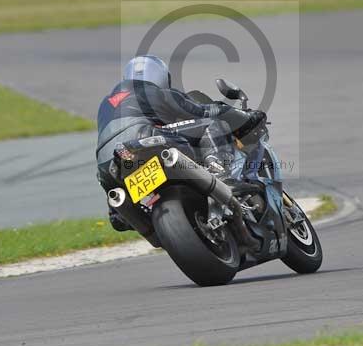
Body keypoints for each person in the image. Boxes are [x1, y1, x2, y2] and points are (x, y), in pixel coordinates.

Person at [96, 55, 265, 230]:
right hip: (145, 140)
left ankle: (118, 213)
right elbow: (205, 112)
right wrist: (246, 117)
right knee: (214, 124)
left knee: (120, 211)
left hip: (108, 166)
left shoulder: (106, 104)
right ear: (161, 77)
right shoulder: (156, 92)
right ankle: (221, 174)